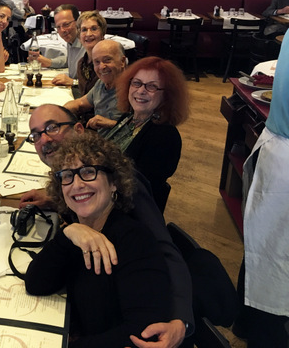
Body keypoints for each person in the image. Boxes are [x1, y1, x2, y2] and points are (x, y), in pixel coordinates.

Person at [19, 104, 193, 348]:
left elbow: (165, 251)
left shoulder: (133, 239)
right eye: (67, 176)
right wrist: (69, 233)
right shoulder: (82, 229)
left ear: (114, 183)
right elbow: (36, 283)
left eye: (88, 172)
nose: (77, 184)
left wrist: (182, 319)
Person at [237, 37, 289, 347]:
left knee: (263, 245)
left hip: (278, 151)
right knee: (272, 255)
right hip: (283, 158)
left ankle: (246, 322)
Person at [105, 57, 189, 213]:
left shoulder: (166, 137)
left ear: (167, 95)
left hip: (127, 212)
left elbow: (135, 190)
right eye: (136, 83)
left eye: (152, 86)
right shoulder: (128, 119)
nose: (141, 91)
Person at [64, 39, 126, 134]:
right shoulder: (101, 83)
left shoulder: (134, 89)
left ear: (122, 61)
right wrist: (60, 111)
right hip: (100, 139)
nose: (101, 67)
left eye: (107, 60)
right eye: (97, 62)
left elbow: (140, 128)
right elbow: (80, 103)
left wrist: (110, 123)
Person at [30, 4, 85, 73]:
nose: (62, 30)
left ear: (78, 22)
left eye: (66, 24)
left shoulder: (87, 45)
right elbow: (68, 60)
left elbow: (94, 79)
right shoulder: (71, 41)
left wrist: (71, 79)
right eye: (58, 27)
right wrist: (49, 62)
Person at [75, 11, 107, 95]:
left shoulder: (106, 65)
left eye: (94, 29)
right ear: (79, 37)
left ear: (102, 33)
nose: (88, 34)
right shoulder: (81, 64)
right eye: (84, 30)